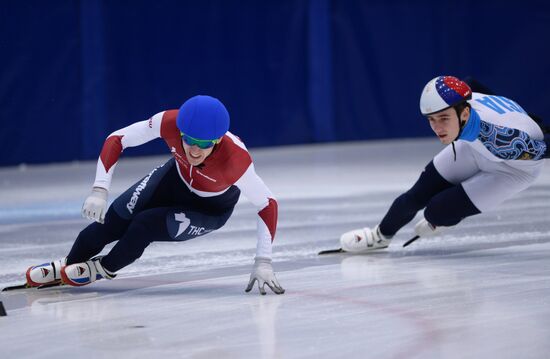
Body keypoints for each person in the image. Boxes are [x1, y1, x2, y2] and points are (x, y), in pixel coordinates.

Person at [25, 95, 285, 295]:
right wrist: (99, 189)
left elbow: (267, 203)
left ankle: (104, 267)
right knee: (112, 222)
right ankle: (69, 262)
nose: (195, 150)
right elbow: (117, 138)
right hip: (173, 179)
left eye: (204, 144)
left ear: (216, 141)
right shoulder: (169, 122)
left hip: (209, 209)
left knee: (144, 225)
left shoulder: (236, 160)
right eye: (189, 140)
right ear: (180, 131)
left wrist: (263, 260)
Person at [340, 76, 548, 252]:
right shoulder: (462, 101)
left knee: (436, 212)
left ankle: (446, 216)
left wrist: (533, 129)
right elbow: (471, 82)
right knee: (415, 197)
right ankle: (379, 236)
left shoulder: (504, 141)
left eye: (443, 118)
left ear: (464, 113)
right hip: (475, 148)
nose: (437, 128)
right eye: (431, 119)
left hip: (512, 170)